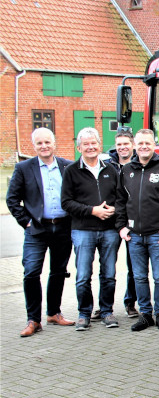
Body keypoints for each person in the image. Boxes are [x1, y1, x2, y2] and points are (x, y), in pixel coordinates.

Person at [7, 128, 76, 336]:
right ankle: (33, 320)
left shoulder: (68, 166)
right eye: (39, 143)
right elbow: (12, 199)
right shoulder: (23, 168)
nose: (44, 146)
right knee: (31, 272)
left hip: (63, 227)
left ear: (54, 144)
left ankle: (54, 312)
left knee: (58, 271)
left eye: (47, 142)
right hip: (37, 228)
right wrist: (26, 222)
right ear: (34, 146)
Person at [115, 129, 159, 332]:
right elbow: (120, 201)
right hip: (134, 236)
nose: (144, 147)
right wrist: (121, 226)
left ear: (154, 145)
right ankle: (145, 315)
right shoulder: (126, 171)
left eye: (148, 143)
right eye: (141, 143)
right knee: (139, 277)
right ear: (135, 145)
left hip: (157, 235)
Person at [60, 127, 121, 331]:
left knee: (109, 274)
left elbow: (122, 198)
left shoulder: (111, 169)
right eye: (85, 144)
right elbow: (66, 203)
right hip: (83, 230)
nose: (90, 147)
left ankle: (106, 312)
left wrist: (115, 209)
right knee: (83, 275)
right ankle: (84, 313)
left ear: (99, 145)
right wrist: (92, 211)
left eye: (93, 143)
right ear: (79, 147)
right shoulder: (71, 171)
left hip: (109, 230)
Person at [107, 130, 139, 318]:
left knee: (134, 267)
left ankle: (130, 303)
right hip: (110, 224)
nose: (122, 147)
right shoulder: (107, 165)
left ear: (132, 144)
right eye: (119, 144)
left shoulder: (138, 165)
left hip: (133, 224)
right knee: (108, 268)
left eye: (126, 143)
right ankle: (105, 308)